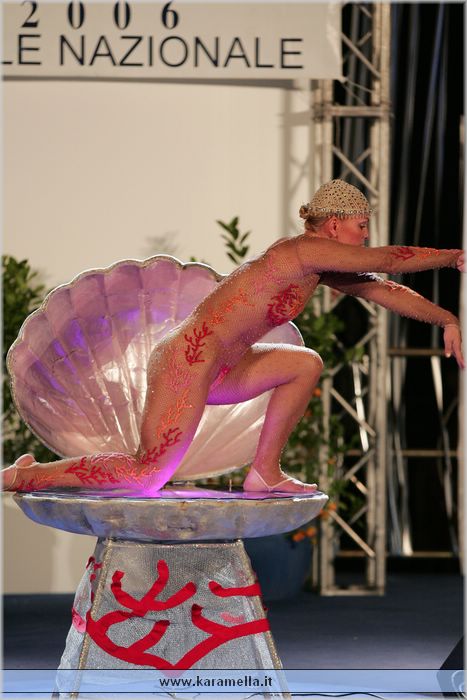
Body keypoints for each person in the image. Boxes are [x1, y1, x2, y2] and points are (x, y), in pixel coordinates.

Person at [3, 180, 464, 495]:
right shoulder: (302, 251)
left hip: (224, 369)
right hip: (187, 361)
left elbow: (384, 289)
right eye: (361, 227)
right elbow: (388, 260)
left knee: (304, 363)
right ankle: (27, 475)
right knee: (147, 475)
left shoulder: (320, 266)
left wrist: (446, 319)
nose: (365, 236)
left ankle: (265, 472)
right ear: (333, 225)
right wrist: (453, 257)